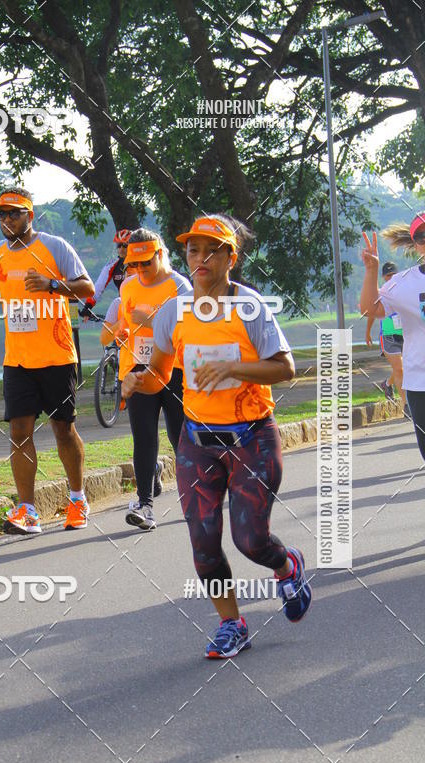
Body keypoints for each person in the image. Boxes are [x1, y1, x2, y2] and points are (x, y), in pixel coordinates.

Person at [121, 214, 312, 658]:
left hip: (251, 439)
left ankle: (286, 567)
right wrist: (136, 380)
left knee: (251, 541)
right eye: (192, 249)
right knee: (204, 543)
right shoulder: (175, 311)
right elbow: (159, 374)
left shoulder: (249, 307)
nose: (200, 258)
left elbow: (284, 368)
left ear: (231, 257)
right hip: (197, 443)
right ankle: (232, 623)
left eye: (211, 250)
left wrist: (233, 367)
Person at [0, 187, 95, 534]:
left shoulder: (55, 246)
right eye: (1, 214)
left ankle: (77, 499)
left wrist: (52, 284)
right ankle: (27, 510)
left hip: (56, 356)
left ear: (30, 216)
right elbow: (10, 289)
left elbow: (87, 288)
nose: (6, 220)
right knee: (18, 432)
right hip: (17, 359)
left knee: (63, 429)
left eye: (13, 213)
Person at [101, 228, 192, 529]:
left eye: (145, 263)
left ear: (161, 254)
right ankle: (145, 506)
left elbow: (191, 332)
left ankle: (195, 497)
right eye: (133, 265)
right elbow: (124, 321)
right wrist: (123, 329)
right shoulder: (128, 286)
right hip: (137, 369)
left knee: (180, 436)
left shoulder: (181, 287)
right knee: (143, 437)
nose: (139, 271)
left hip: (174, 369)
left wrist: (152, 321)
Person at [361, 213, 425, 458]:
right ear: (415, 244)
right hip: (420, 383)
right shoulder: (404, 283)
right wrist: (372, 270)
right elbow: (370, 308)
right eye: (421, 237)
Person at [365, 261, 405, 409]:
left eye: (393, 275)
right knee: (400, 369)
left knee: (403, 367)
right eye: (388, 275)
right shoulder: (380, 294)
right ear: (383, 277)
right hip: (388, 336)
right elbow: (371, 313)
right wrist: (368, 332)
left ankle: (387, 384)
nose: (391, 278)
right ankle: (406, 406)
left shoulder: (404, 292)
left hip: (405, 335)